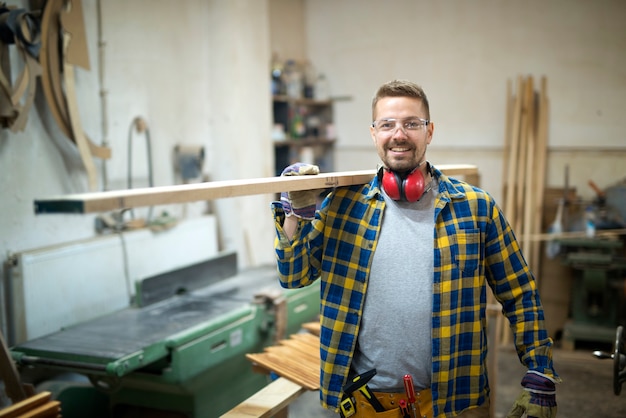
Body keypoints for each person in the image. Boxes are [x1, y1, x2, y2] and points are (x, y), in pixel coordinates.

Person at [270, 80, 559, 418]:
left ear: (429, 131)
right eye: (387, 124)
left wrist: (540, 370)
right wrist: (295, 214)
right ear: (373, 133)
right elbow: (293, 275)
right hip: (366, 401)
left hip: (451, 400)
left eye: (411, 124)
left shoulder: (475, 207)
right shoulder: (342, 206)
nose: (399, 134)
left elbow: (519, 292)